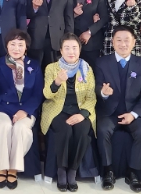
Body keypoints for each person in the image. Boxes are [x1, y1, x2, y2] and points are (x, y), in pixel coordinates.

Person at [94, 26, 141, 192]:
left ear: (134, 42)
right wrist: (102, 92)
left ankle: (132, 172)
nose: (123, 44)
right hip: (110, 112)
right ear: (112, 42)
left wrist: (133, 114)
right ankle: (108, 171)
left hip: (134, 113)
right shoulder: (101, 62)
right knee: (103, 130)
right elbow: (96, 86)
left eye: (127, 40)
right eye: (118, 40)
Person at [0, 29, 44, 190]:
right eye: (12, 44)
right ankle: (2, 168)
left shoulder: (34, 65)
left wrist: (25, 111)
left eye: (20, 44)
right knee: (4, 126)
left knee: (20, 129)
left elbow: (37, 93)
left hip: (25, 109)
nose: (16, 48)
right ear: (7, 46)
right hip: (2, 107)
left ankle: (13, 169)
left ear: (26, 47)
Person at [41, 33, 96, 192]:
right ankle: (61, 170)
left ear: (79, 49)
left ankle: (73, 170)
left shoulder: (86, 69)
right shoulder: (52, 68)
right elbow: (47, 94)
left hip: (80, 110)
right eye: (67, 48)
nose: (71, 52)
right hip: (57, 109)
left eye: (74, 48)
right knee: (64, 129)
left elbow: (91, 97)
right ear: (61, 50)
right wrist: (57, 82)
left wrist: (82, 114)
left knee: (82, 130)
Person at [25, 0, 74, 69]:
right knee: (35, 70)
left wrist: (69, 38)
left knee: (55, 71)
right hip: (36, 38)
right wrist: (34, 7)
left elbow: (69, 17)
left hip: (57, 38)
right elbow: (26, 14)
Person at [70, 0, 109, 69]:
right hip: (71, 41)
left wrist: (89, 32)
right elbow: (59, 16)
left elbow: (104, 17)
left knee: (91, 72)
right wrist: (73, 14)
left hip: (92, 42)